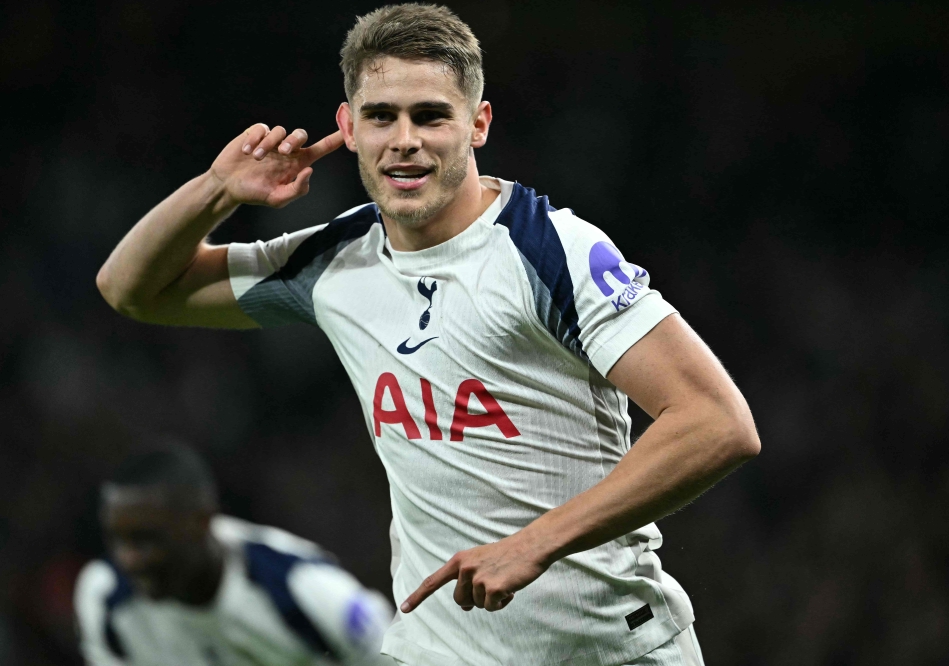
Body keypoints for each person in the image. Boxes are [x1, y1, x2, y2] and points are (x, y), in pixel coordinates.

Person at [95, 4, 761, 664]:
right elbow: (131, 289)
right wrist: (218, 190)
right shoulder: (334, 260)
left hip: (610, 650)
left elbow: (717, 422)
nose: (404, 139)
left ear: (478, 124)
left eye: (431, 116)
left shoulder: (551, 250)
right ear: (348, 127)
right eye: (381, 116)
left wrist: (535, 542)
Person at [74, 446, 395, 665]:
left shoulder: (301, 588)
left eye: (145, 540)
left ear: (201, 522)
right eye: (117, 540)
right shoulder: (105, 599)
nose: (128, 559)